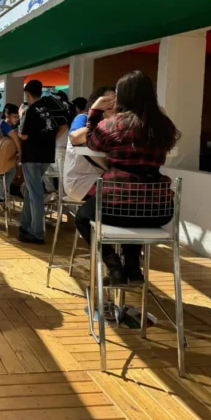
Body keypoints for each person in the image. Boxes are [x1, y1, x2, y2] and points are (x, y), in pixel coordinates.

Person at [75, 71, 180, 285]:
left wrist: (95, 110)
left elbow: (92, 142)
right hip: (159, 211)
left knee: (82, 218)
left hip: (115, 206)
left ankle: (114, 266)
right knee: (135, 207)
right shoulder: (164, 126)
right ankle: (133, 268)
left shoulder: (112, 125)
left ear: (122, 96)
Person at [18, 80, 67, 245]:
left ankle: (37, 232)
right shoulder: (50, 107)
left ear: (28, 94)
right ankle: (25, 225)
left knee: (36, 193)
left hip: (31, 156)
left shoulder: (29, 110)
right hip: (46, 155)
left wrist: (21, 115)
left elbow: (23, 135)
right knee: (31, 190)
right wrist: (50, 140)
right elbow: (63, 126)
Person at [63, 86, 115, 202]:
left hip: (101, 179)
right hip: (81, 183)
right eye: (106, 99)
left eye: (115, 99)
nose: (111, 103)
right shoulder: (82, 118)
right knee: (125, 190)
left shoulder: (119, 125)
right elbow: (74, 137)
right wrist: (105, 124)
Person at [0, 103, 22, 199]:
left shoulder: (7, 126)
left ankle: (3, 194)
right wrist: (20, 152)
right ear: (7, 116)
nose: (17, 119)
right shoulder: (5, 126)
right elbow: (15, 139)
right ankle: (2, 195)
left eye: (18, 117)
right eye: (15, 117)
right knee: (11, 172)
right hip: (3, 158)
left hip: (6, 157)